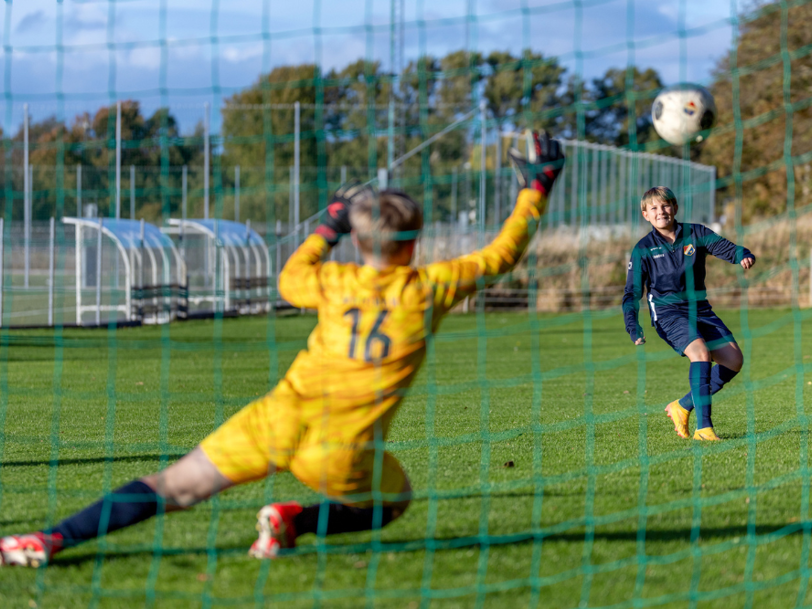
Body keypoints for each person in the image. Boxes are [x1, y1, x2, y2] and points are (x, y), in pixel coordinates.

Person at [0, 130, 565, 567]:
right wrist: (533, 190)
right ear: (415, 241)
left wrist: (328, 228)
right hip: (341, 449)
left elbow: (291, 279)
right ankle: (293, 522)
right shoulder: (431, 286)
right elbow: (500, 256)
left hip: (276, 416)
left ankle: (51, 537)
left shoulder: (332, 283)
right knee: (392, 504)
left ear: (359, 239)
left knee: (173, 487)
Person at [622, 186, 756, 441]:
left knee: (733, 360)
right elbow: (631, 293)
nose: (661, 211)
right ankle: (704, 429)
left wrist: (743, 255)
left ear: (675, 208)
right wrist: (633, 325)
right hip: (667, 312)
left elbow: (725, 248)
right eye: (654, 208)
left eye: (665, 205)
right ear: (645, 215)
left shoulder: (696, 233)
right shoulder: (643, 249)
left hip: (700, 309)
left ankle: (681, 406)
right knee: (701, 353)